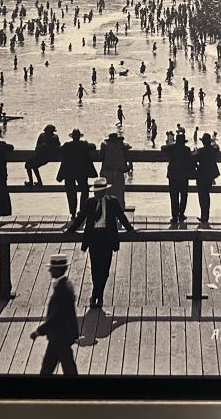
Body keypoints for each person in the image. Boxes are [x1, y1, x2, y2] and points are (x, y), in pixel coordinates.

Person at [67, 177, 136, 307]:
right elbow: (80, 218)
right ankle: (97, 294)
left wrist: (131, 229)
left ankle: (98, 294)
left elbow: (121, 217)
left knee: (105, 268)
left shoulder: (112, 202)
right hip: (94, 237)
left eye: (99, 191)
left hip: (107, 237)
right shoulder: (89, 203)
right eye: (95, 191)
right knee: (95, 267)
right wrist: (70, 230)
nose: (96, 194)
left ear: (104, 191)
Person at [29, 253, 79, 375]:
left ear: (58, 270)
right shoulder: (66, 285)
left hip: (60, 335)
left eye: (52, 268)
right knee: (51, 367)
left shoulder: (62, 290)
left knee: (65, 368)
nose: (50, 270)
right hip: (60, 335)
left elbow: (56, 317)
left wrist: (39, 331)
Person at [58, 128, 98, 220]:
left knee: (70, 192)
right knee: (84, 191)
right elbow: (93, 146)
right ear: (79, 137)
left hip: (69, 171)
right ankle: (82, 211)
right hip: (81, 171)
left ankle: (72, 213)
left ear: (72, 137)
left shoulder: (67, 145)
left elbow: (59, 149)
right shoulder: (84, 144)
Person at [161, 132, 195, 225]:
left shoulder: (171, 148)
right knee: (184, 196)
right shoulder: (187, 149)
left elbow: (162, 148)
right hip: (183, 175)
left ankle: (174, 216)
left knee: (173, 196)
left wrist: (170, 144)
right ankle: (181, 214)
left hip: (173, 175)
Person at [193, 132, 221, 224]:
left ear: (203, 142)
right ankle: (206, 215)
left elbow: (193, 158)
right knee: (207, 195)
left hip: (201, 175)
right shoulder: (213, 150)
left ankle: (203, 215)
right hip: (210, 175)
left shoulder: (201, 151)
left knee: (202, 196)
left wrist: (195, 150)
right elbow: (217, 148)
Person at [99, 132, 131, 207]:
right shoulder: (121, 145)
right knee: (119, 195)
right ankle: (119, 213)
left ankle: (107, 213)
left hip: (107, 172)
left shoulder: (104, 145)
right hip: (118, 172)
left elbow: (100, 156)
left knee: (106, 195)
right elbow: (128, 146)